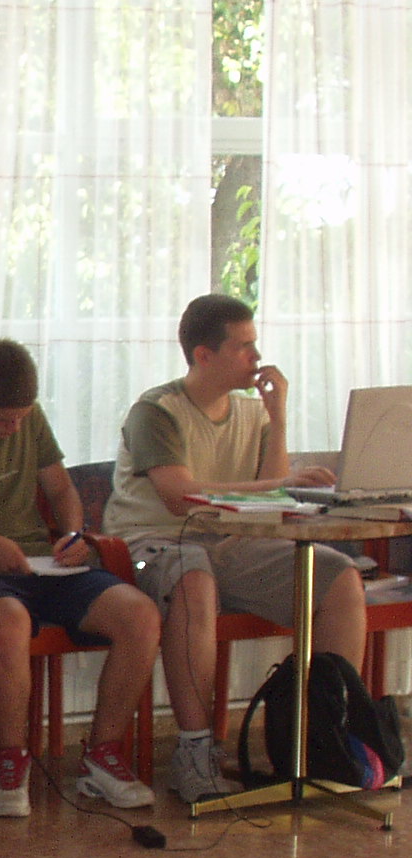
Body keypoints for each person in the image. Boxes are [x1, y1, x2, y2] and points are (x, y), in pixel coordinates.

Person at [103, 294, 366, 803]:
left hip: (232, 541)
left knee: (338, 577)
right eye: (244, 347)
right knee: (194, 580)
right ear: (204, 355)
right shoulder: (156, 411)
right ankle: (196, 751)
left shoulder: (251, 412)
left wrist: (278, 418)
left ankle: (323, 737)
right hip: (154, 541)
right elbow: (179, 497)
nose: (256, 356)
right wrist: (278, 485)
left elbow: (274, 490)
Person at [0, 339, 160, 816]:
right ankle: (11, 757)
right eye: (2, 421)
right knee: (9, 623)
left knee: (140, 615)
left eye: (21, 417)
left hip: (42, 562)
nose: (13, 428)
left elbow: (60, 489)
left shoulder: (30, 418)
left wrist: (73, 534)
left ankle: (102, 754)